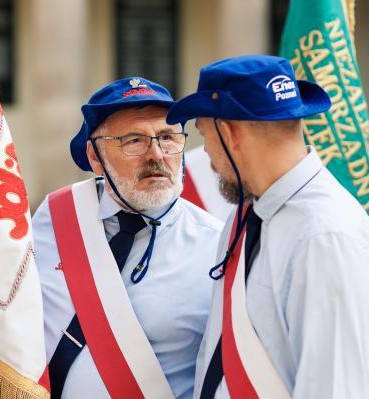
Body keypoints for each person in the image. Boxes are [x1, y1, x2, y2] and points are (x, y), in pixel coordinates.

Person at [166, 54, 369, 398]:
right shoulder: (247, 213)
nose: (207, 157)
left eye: (204, 135)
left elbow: (336, 387)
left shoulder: (324, 236)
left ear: (229, 134)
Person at [33, 77, 223, 399]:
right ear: (95, 157)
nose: (156, 155)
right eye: (134, 141)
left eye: (167, 138)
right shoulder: (53, 217)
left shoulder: (216, 244)